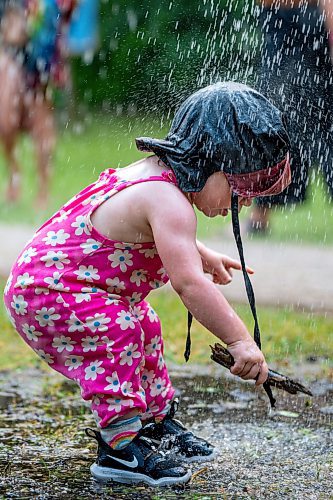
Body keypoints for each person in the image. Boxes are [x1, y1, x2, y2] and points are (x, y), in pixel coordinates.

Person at [3, 82, 291, 487]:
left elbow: (151, 230)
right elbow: (189, 285)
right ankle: (119, 447)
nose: (239, 201)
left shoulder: (160, 180)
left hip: (66, 287)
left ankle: (153, 424)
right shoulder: (169, 201)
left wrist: (201, 252)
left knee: (146, 325)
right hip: (48, 292)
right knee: (117, 330)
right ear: (209, 161)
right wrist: (241, 341)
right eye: (237, 186)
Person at [249, 0, 333, 233]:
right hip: (286, 29)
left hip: (304, 28)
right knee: (278, 124)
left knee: (284, 124)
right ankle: (259, 216)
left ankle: (259, 217)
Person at [0, 0, 76, 207]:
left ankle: (43, 190)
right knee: (6, 126)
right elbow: (9, 33)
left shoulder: (52, 5)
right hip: (15, 64)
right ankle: (14, 174)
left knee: (43, 136)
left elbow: (67, 15)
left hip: (42, 71)